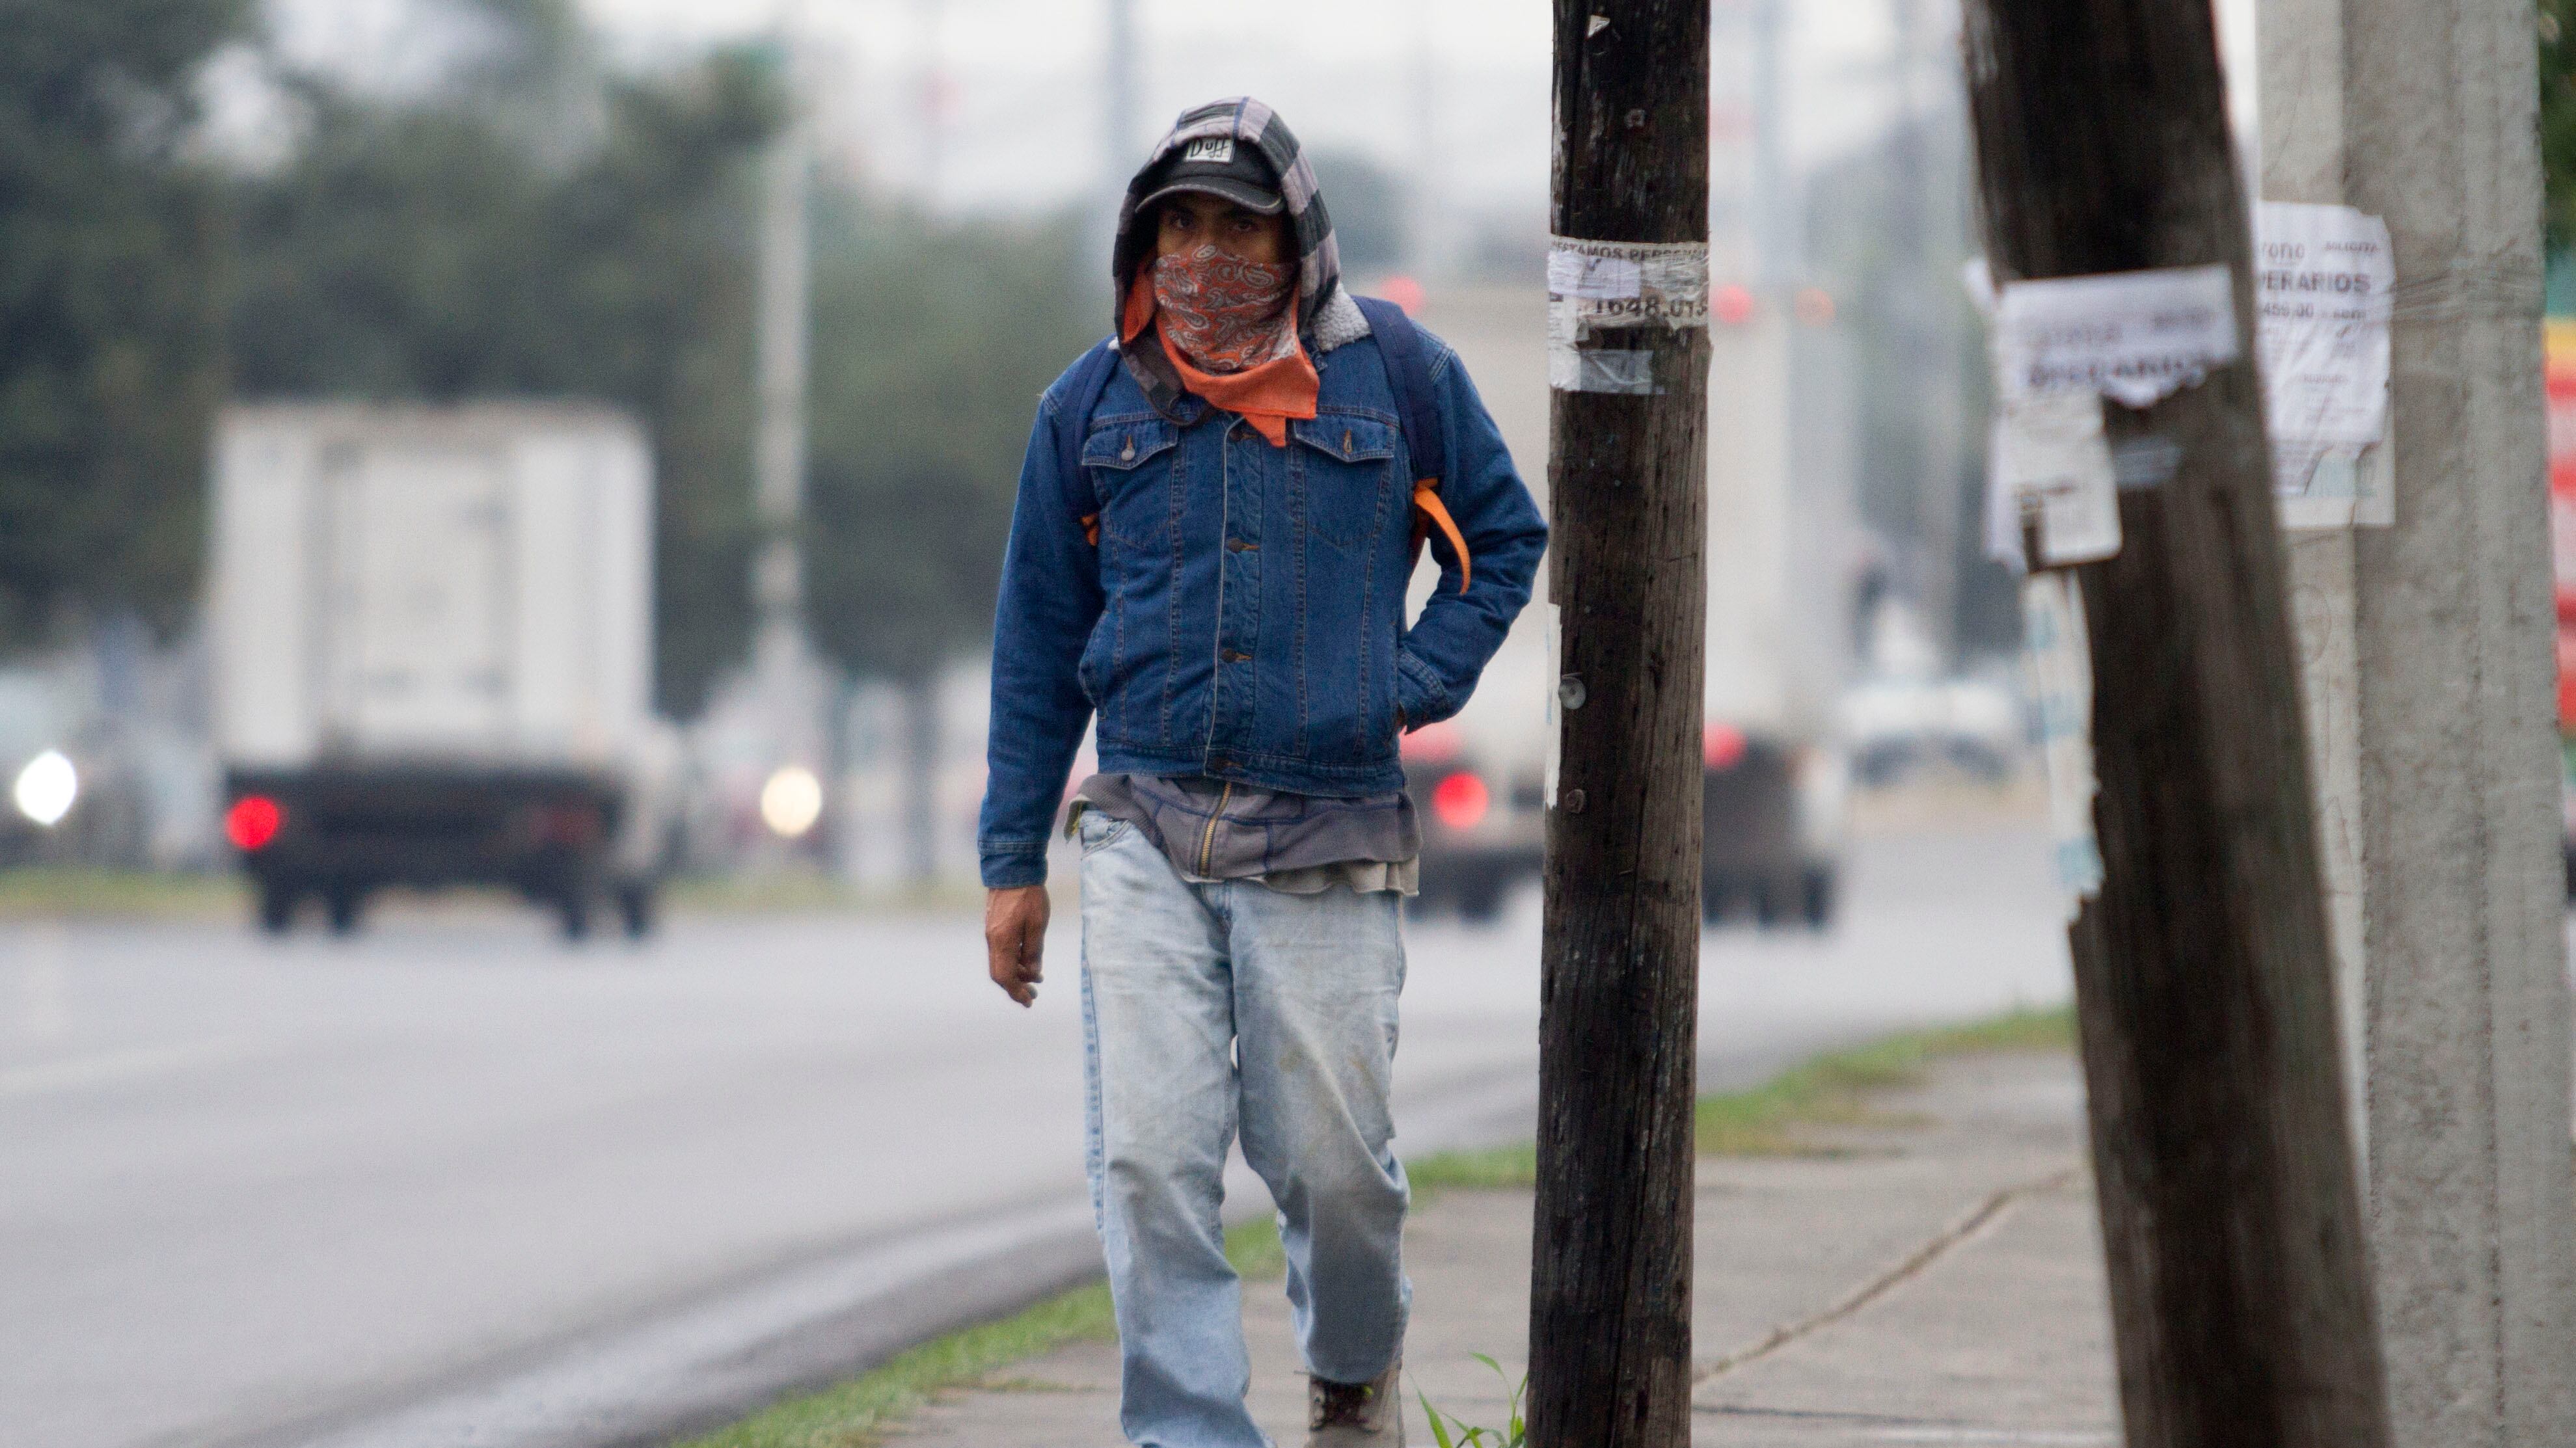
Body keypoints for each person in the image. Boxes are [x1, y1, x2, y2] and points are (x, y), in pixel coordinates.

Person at [977, 97, 1546, 1448]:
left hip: (1329, 831)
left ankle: (1352, 1377)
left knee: (1335, 1173)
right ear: (1142, 238)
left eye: (1239, 227)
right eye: (1181, 226)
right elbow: (1037, 644)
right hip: (1144, 828)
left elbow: (1502, 542)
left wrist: (1398, 688)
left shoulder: (1393, 375)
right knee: (1149, 1160)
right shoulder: (1092, 405)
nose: (1208, 256)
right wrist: (1011, 867)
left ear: (1299, 240)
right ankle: (1187, 1430)